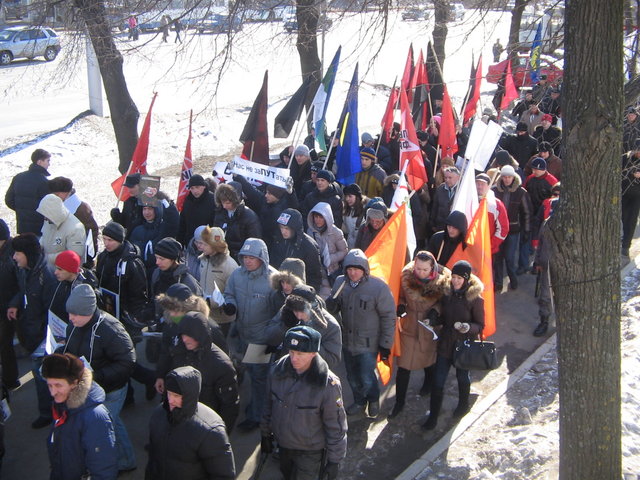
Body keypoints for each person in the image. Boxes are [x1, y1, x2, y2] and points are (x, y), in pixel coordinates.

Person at [62, 284, 137, 473]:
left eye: (75, 314)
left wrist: (97, 376)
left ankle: (125, 460)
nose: (70, 318)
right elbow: (71, 347)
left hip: (111, 388)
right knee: (110, 422)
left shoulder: (111, 329)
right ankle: (122, 458)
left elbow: (127, 362)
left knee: (108, 423)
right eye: (70, 314)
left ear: (87, 311)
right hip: (90, 386)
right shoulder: (76, 324)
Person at [261, 326, 347, 480]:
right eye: (292, 352)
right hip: (284, 446)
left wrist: (335, 461)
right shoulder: (276, 371)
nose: (294, 358)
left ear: (314, 353)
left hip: (310, 452)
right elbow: (268, 405)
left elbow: (336, 426)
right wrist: (265, 433)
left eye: (300, 354)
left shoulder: (328, 385)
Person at [325, 249, 396, 418]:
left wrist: (386, 344)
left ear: (364, 269)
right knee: (352, 377)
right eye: (349, 269)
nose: (352, 273)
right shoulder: (341, 282)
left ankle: (372, 399)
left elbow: (388, 317)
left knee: (366, 376)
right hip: (348, 341)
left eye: (356, 269)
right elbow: (332, 307)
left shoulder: (378, 288)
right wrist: (331, 305)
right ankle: (359, 401)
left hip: (368, 343)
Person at [422, 260, 484, 430]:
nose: (455, 281)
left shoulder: (475, 299)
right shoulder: (447, 293)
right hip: (446, 344)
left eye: (459, 278)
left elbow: (480, 325)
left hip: (464, 345)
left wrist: (467, 327)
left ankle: (463, 404)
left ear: (467, 279)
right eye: (453, 277)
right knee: (438, 381)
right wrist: (433, 320)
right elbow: (443, 316)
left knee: (462, 377)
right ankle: (433, 416)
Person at [223, 238, 277, 431]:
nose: (247, 261)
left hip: (260, 339)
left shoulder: (273, 280)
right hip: (241, 334)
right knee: (246, 371)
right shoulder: (237, 275)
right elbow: (229, 293)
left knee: (258, 377)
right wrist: (231, 305)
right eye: (245, 257)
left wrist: (273, 338)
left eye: (252, 257)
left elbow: (279, 312)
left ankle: (257, 416)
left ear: (262, 258)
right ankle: (256, 405)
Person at [147, 366, 236, 479]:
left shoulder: (210, 431)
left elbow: (223, 475)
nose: (170, 400)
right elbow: (153, 460)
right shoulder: (159, 414)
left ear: (189, 396)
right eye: (169, 393)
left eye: (176, 396)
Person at [390, 251, 449, 419]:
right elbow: (399, 295)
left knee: (429, 362)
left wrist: (435, 312)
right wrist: (401, 305)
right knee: (404, 367)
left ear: (432, 268)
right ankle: (399, 403)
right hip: (409, 327)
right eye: (418, 268)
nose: (420, 272)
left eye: (424, 269)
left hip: (428, 329)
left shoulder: (444, 281)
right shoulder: (406, 277)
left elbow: (444, 303)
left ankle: (428, 383)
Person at [42, 353, 117, 480]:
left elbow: (104, 468)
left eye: (58, 385)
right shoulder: (62, 405)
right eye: (50, 385)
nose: (52, 392)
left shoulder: (95, 417)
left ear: (74, 383)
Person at [7, 233, 56, 429]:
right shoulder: (25, 271)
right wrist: (15, 304)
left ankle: (49, 413)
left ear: (28, 254)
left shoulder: (47, 277)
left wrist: (41, 339)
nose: (15, 257)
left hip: (42, 337)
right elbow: (23, 290)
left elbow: (50, 313)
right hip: (32, 332)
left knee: (42, 375)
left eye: (18, 253)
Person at [165, 311, 239, 433]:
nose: (184, 339)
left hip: (205, 426)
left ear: (200, 335)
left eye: (190, 335)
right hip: (180, 422)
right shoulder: (179, 352)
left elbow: (230, 406)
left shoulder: (221, 365)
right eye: (182, 334)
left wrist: (220, 436)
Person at [266, 285, 342, 369]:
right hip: (287, 370)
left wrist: (311, 340)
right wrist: (285, 325)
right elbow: (270, 337)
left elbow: (332, 360)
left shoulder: (330, 325)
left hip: (313, 373)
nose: (298, 316)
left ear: (312, 308)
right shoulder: (286, 312)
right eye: (295, 311)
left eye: (302, 311)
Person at [492, 165, 532, 291]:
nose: (507, 179)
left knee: (509, 258)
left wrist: (526, 230)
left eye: (509, 177)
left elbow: (527, 213)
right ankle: (498, 282)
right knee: (498, 257)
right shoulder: (494, 191)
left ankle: (512, 279)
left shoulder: (521, 192)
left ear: (513, 177)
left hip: (513, 230)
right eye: (504, 177)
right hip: (497, 229)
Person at [48, 176, 100, 267]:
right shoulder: (59, 206)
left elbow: (92, 232)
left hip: (77, 258)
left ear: (64, 193)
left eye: (55, 194)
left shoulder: (81, 209)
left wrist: (88, 256)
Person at [196, 226, 238, 337]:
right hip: (205, 314)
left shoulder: (229, 265)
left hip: (222, 319)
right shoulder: (203, 260)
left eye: (205, 244)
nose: (202, 247)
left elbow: (234, 292)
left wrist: (213, 302)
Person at [270, 208, 323, 292]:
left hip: (300, 291)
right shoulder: (279, 241)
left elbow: (315, 276)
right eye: (281, 227)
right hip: (280, 288)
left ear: (295, 228)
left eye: (286, 228)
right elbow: (273, 264)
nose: (283, 231)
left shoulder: (309, 247)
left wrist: (309, 294)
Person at [5, 148, 51, 235]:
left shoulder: (18, 177)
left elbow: (9, 200)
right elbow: (48, 205)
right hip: (39, 227)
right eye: (47, 161)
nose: (49, 164)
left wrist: (22, 210)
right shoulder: (44, 181)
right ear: (39, 162)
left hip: (22, 227)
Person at [36, 193, 87, 270]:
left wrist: (47, 257)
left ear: (53, 213)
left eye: (46, 215)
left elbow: (74, 255)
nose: (45, 218)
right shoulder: (49, 221)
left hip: (65, 273)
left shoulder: (76, 228)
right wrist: (38, 246)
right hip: (48, 268)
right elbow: (44, 236)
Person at [307, 202, 348, 293]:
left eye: (321, 217)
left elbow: (344, 251)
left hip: (332, 272)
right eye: (316, 217)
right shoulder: (310, 231)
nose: (318, 220)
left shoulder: (336, 232)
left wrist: (330, 258)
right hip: (316, 271)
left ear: (327, 218)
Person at [213, 182, 262, 260]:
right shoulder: (220, 213)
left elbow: (254, 244)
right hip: (222, 257)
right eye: (222, 202)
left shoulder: (250, 217)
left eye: (228, 203)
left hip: (240, 260)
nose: (224, 206)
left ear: (236, 200)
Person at [0, 220, 19, 390]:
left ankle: (11, 379)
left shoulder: (14, 255)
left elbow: (22, 285)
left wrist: (14, 303)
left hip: (9, 307)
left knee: (5, 344)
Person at [177, 174, 216, 246]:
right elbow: (182, 223)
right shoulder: (188, 201)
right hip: (190, 243)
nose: (195, 191)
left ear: (204, 186)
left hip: (207, 243)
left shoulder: (213, 200)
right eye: (192, 188)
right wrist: (180, 243)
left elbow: (215, 224)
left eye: (197, 187)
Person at [622, 142, 640, 257]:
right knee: (623, 217)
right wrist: (631, 174)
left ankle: (626, 245)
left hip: (637, 196)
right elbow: (619, 173)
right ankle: (625, 236)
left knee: (632, 219)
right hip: (624, 193)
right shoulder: (624, 158)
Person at [430, 166, 460, 234]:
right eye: (445, 177)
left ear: (458, 177)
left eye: (450, 178)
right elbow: (435, 207)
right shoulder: (441, 188)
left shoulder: (462, 190)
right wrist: (432, 223)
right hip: (440, 226)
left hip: (455, 228)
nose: (447, 180)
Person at [341, 183, 368, 250]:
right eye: (346, 196)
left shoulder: (366, 211)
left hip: (362, 248)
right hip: (349, 247)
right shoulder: (346, 210)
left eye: (350, 196)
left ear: (357, 197)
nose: (347, 199)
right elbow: (346, 229)